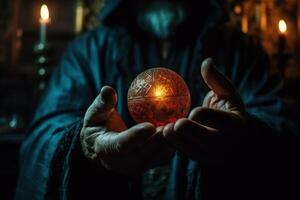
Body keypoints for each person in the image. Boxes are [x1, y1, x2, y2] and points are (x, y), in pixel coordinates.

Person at [16, 0, 299, 199]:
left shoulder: (241, 51)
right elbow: (45, 131)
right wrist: (83, 144)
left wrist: (245, 137)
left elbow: (282, 124)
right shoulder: (88, 51)